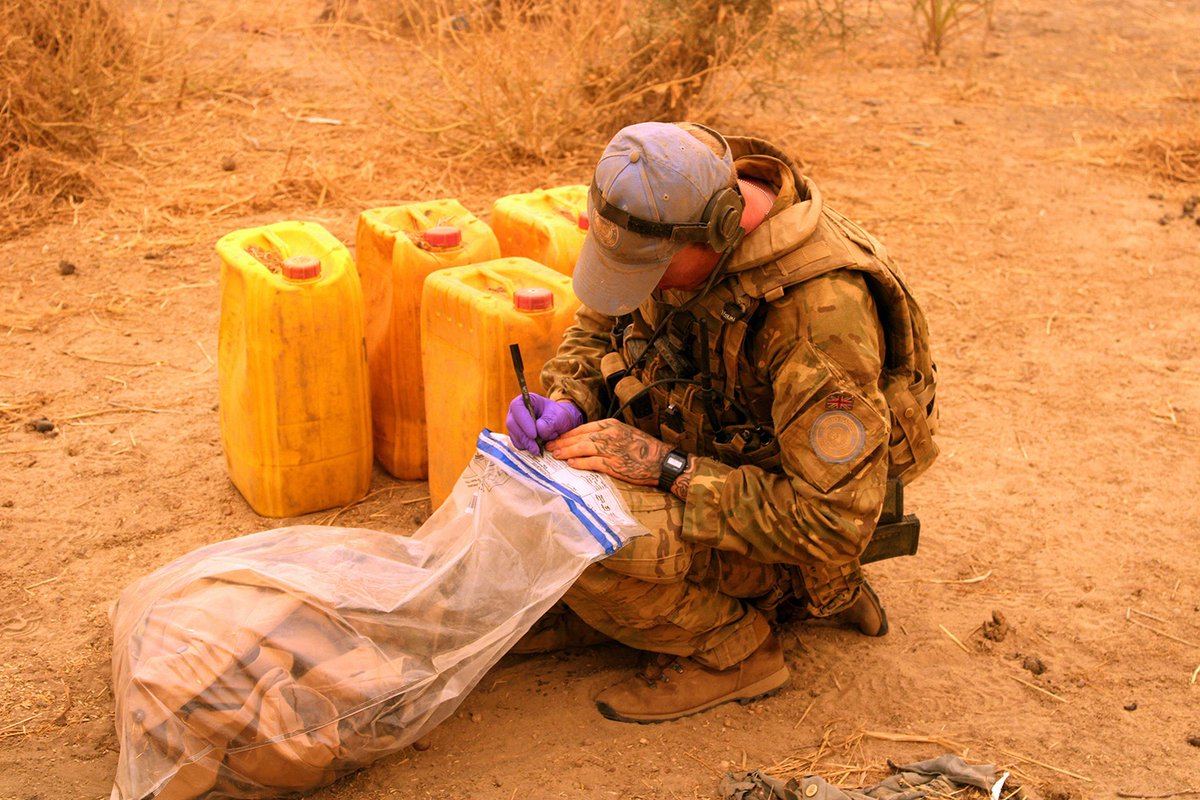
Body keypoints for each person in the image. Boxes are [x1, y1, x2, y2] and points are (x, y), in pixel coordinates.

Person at [505, 121, 939, 723]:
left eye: (650, 269)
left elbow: (833, 523)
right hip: (723, 462)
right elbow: (605, 315)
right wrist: (570, 396)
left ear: (716, 231)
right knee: (527, 491)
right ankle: (666, 601)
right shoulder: (674, 187)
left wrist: (664, 467)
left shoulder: (819, 321)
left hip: (794, 527)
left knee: (578, 538)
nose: (642, 284)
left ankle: (741, 649)